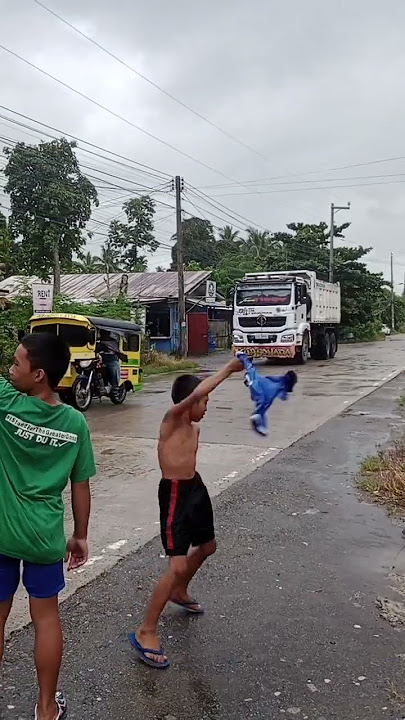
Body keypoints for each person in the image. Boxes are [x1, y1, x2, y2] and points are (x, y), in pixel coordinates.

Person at [0, 333, 96, 720]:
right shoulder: (74, 422)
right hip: (44, 538)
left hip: (2, 533)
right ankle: (45, 709)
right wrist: (81, 535)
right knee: (46, 618)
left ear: (39, 374)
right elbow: (81, 484)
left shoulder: (6, 403)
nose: (9, 369)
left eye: (17, 363)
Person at [130, 356, 243, 668]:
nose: (205, 406)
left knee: (208, 546)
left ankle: (179, 590)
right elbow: (195, 395)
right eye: (203, 401)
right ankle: (146, 631)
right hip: (175, 494)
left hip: (194, 488)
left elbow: (197, 399)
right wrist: (227, 370)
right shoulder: (172, 419)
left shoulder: (192, 428)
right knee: (177, 563)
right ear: (187, 402)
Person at [97, 330, 125, 397]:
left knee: (114, 372)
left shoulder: (113, 341)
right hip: (98, 359)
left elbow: (116, 350)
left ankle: (115, 388)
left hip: (111, 359)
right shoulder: (97, 341)